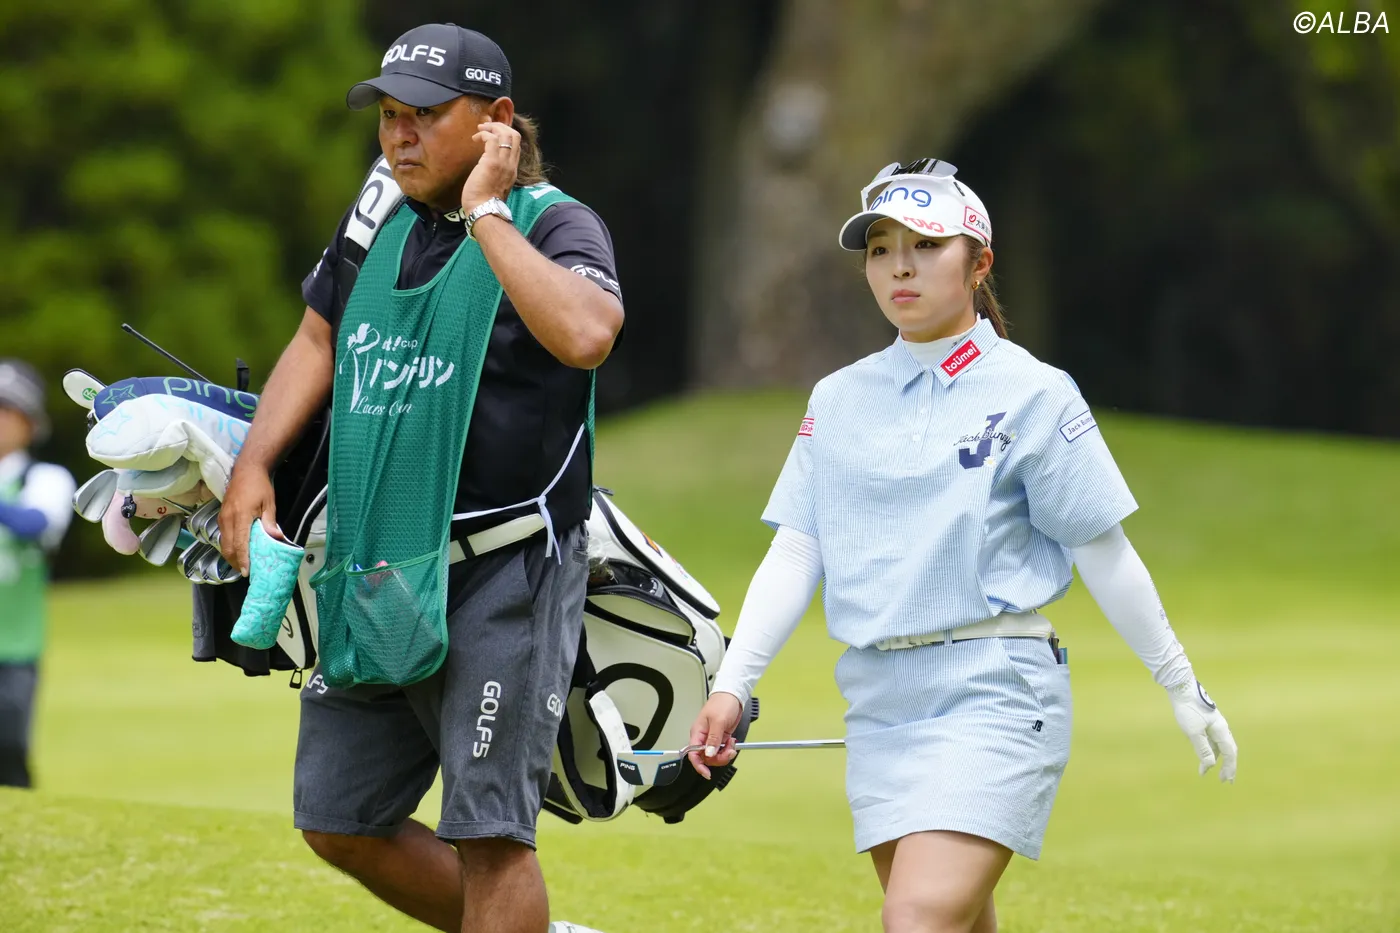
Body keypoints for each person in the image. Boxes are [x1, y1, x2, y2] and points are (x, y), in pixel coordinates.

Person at [687, 159, 1239, 933]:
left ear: (979, 264)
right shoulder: (837, 398)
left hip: (996, 689)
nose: (900, 266)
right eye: (881, 248)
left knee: (915, 917)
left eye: (926, 244)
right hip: (879, 698)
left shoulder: (1033, 392)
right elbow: (798, 550)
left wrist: (1181, 683)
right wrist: (733, 683)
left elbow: (1102, 549)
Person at [217, 23, 623, 933]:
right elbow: (317, 336)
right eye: (389, 117)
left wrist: (485, 212)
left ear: (496, 119)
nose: (400, 137)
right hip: (381, 564)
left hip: (506, 569)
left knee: (490, 836)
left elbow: (588, 333)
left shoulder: (555, 222)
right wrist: (253, 466)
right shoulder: (377, 221)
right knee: (338, 817)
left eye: (426, 116)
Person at [0, 359, 77, 788]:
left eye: (6, 410)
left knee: (8, 750)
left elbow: (34, 523)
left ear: (30, 424)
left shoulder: (45, 478)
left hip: (14, 646)